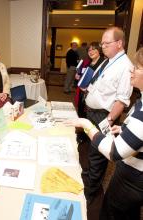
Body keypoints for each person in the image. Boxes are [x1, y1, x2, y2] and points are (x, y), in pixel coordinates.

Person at [65, 47, 143, 220]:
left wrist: (87, 125)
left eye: (137, 67)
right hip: (132, 171)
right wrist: (124, 129)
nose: (132, 69)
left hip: (133, 178)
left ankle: (91, 190)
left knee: (112, 213)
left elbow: (115, 152)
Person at [84, 27, 133, 204]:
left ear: (119, 43)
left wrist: (109, 121)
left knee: (98, 154)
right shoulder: (108, 61)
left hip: (104, 116)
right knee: (91, 150)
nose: (102, 46)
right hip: (92, 113)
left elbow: (121, 100)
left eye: (106, 43)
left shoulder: (126, 66)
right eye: (102, 43)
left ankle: (91, 192)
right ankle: (88, 175)